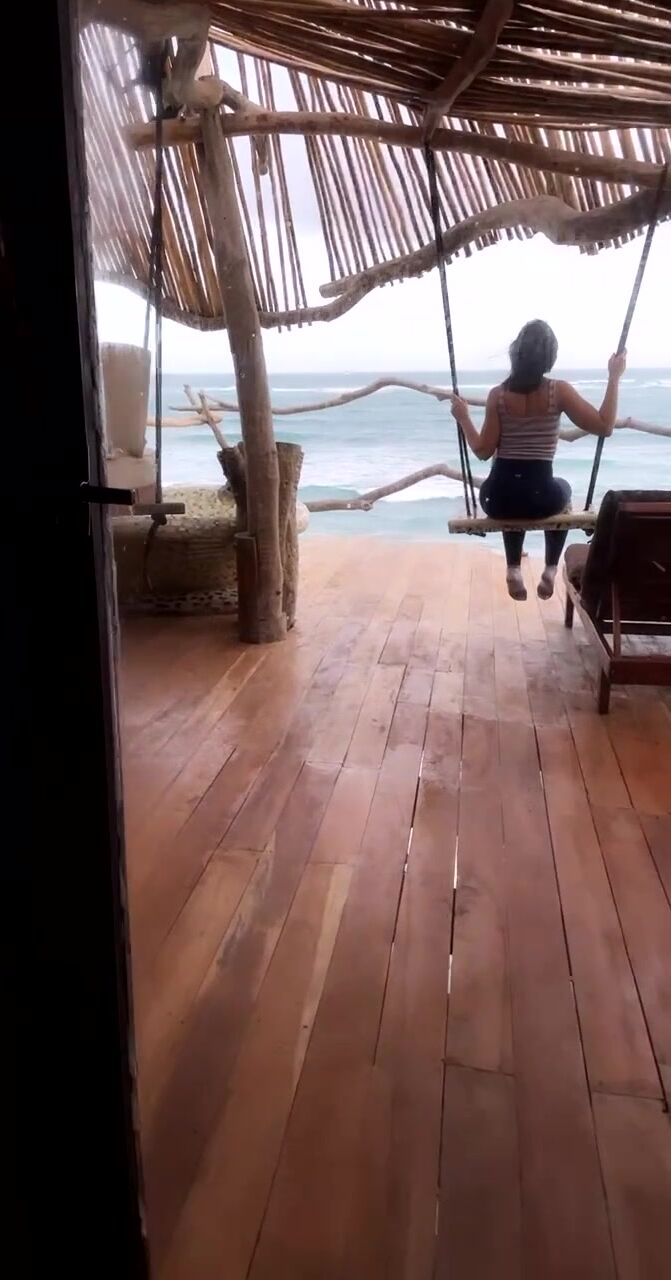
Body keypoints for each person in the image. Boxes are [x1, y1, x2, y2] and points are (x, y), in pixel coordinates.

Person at [450, 320, 627, 601]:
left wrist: (463, 418)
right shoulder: (559, 392)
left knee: (511, 493)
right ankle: (550, 568)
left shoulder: (498, 395)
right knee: (563, 491)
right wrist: (614, 377)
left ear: (516, 352)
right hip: (540, 498)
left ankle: (513, 569)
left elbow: (482, 451)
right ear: (550, 358)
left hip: (496, 499)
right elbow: (605, 426)